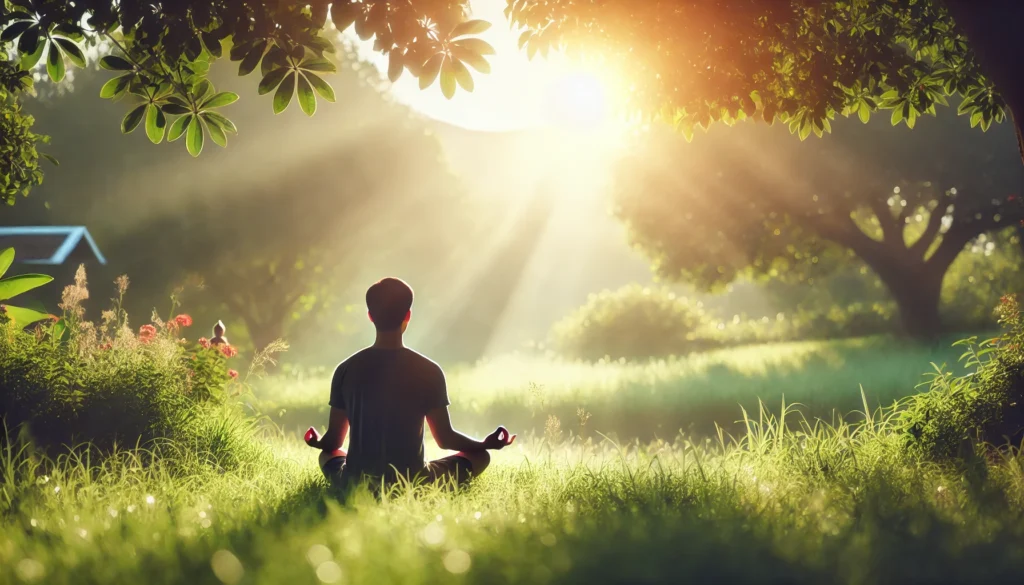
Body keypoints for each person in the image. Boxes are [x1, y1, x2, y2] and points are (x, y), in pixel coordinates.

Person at [305, 277, 515, 490]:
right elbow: (444, 438)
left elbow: (333, 442)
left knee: (327, 455)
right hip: (413, 483)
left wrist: (317, 442)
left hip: (355, 482)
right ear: (408, 315)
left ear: (370, 316)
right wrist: (483, 445)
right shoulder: (428, 370)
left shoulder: (345, 369)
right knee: (481, 457)